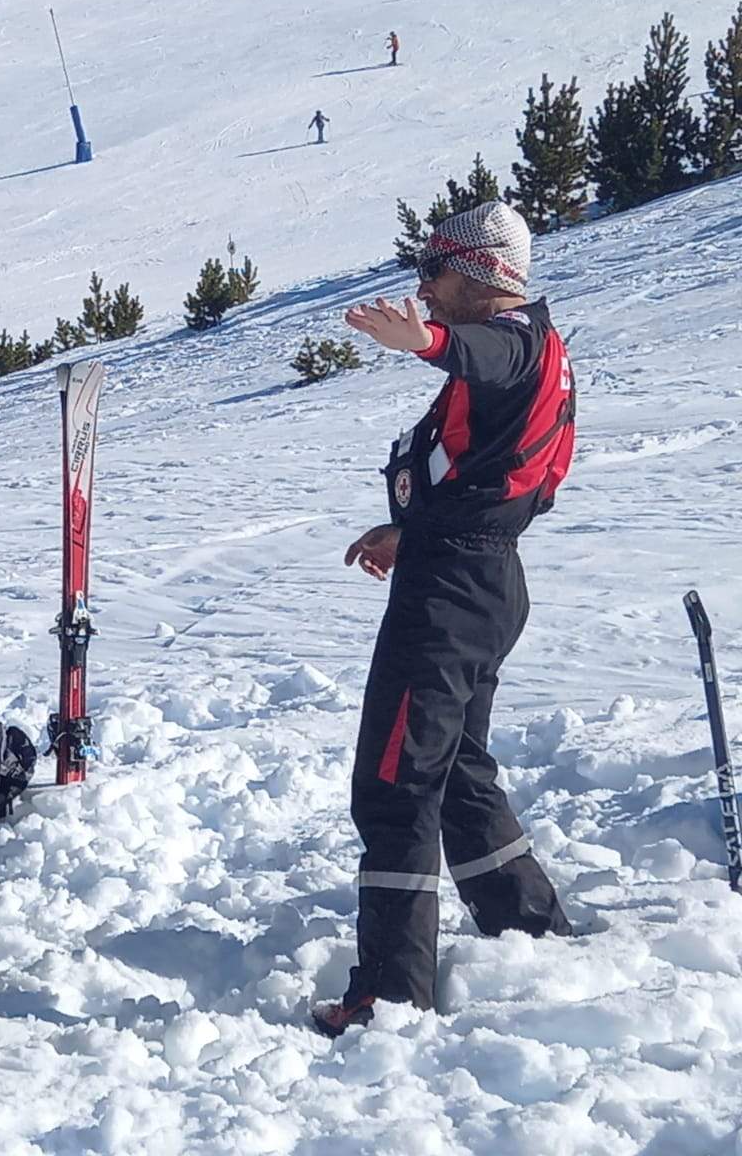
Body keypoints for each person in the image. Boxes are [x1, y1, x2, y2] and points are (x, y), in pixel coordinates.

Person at [313, 201, 575, 1037]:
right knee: (456, 766)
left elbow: (479, 352)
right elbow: (488, 465)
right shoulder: (533, 347)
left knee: (395, 783)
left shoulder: (510, 340)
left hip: (454, 594)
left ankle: (388, 996)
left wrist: (422, 344)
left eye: (435, 271)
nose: (423, 288)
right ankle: (524, 923)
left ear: (481, 273)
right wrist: (410, 528)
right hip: (474, 574)